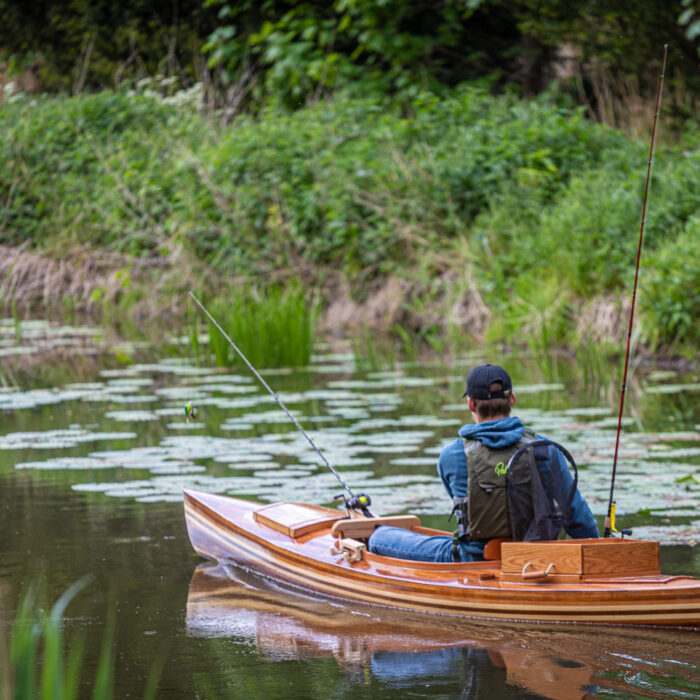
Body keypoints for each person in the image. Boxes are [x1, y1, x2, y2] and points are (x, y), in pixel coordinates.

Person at [368, 363, 599, 562]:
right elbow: (578, 517)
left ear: (470, 404)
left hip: (473, 559)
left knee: (379, 537)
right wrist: (599, 555)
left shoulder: (452, 454)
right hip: (535, 556)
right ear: (512, 400)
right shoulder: (546, 448)